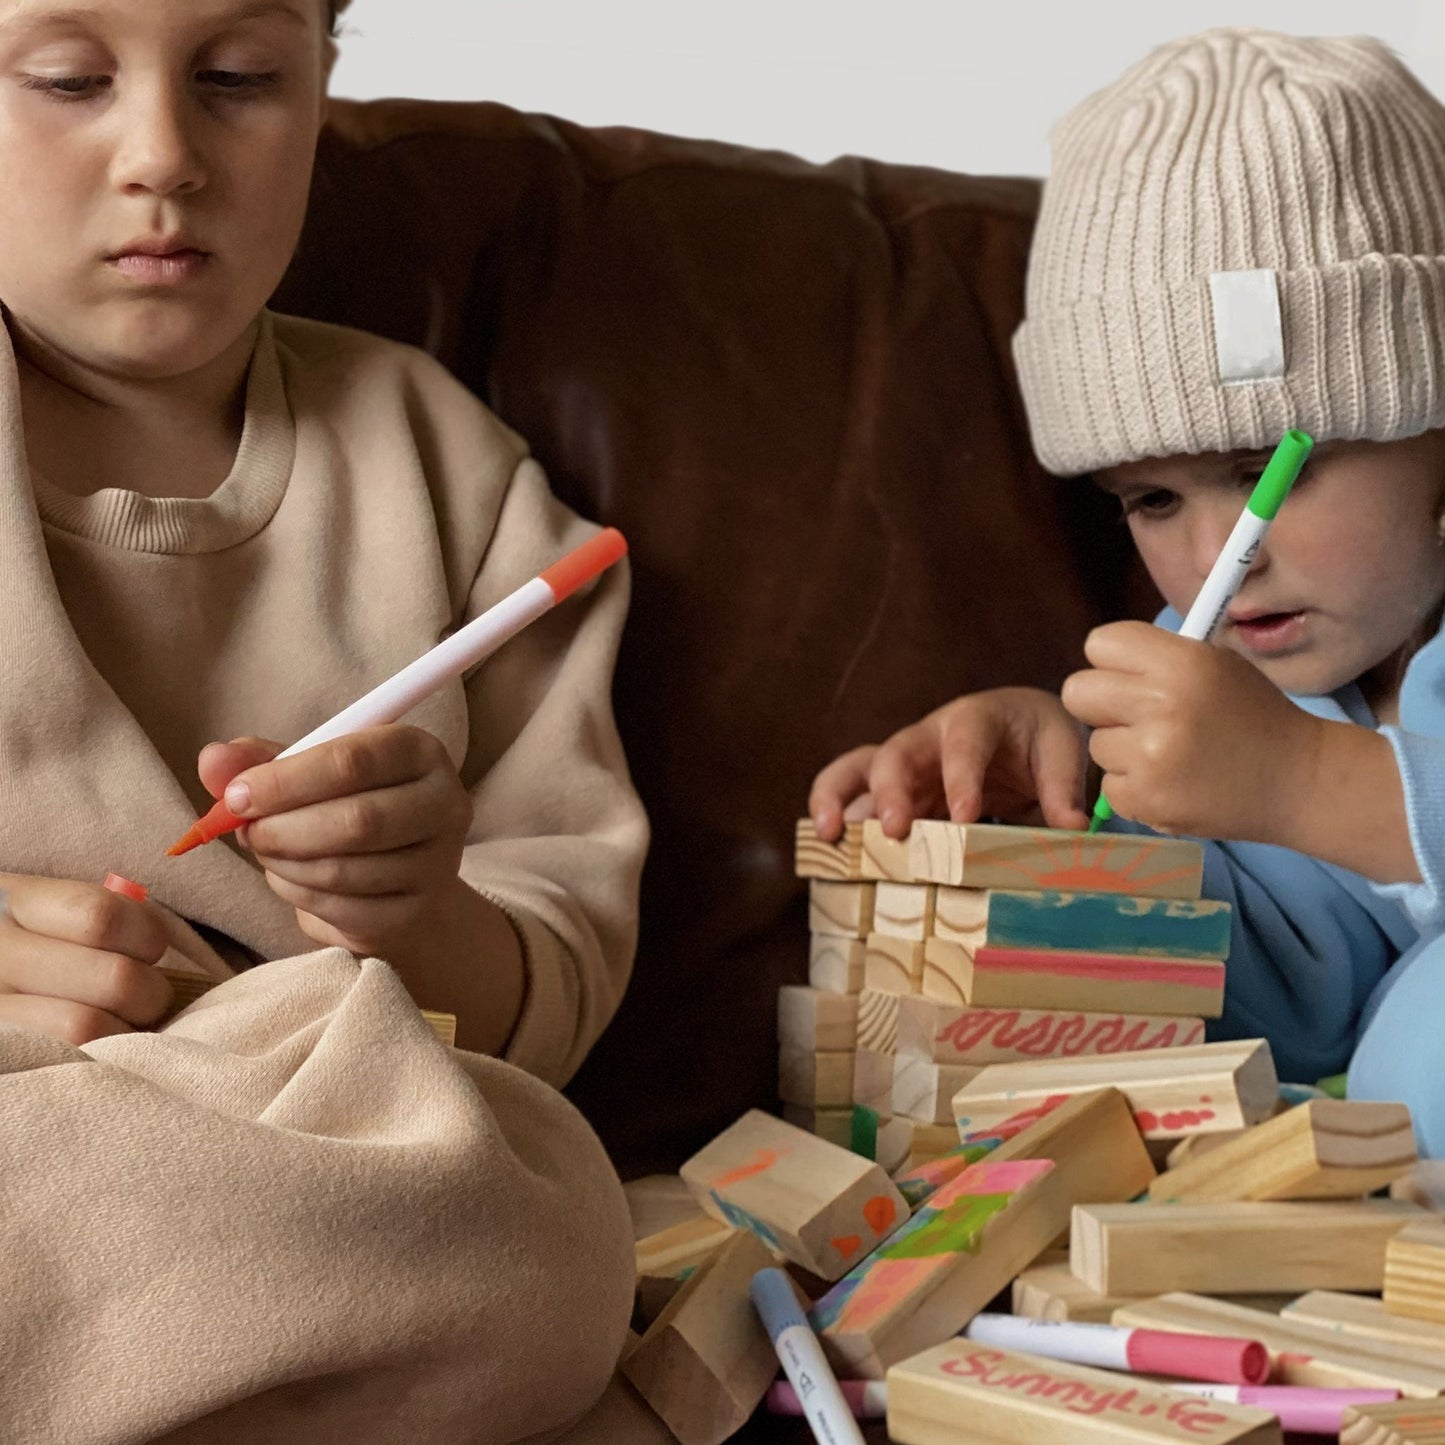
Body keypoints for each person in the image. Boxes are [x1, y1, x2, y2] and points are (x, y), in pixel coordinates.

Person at [0, 0, 660, 1438]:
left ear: (322, 88)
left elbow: (537, 1001)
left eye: (240, 79)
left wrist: (419, 912)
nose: (162, 154)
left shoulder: (444, 469)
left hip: (290, 1152)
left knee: (542, 1213)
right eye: (65, 80)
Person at [811, 28, 1445, 1158]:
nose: (1217, 557)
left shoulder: (1280, 729)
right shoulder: (1244, 674)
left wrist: (1299, 778)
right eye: (1150, 500)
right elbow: (1274, 1019)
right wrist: (1078, 840)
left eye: (1259, 476)